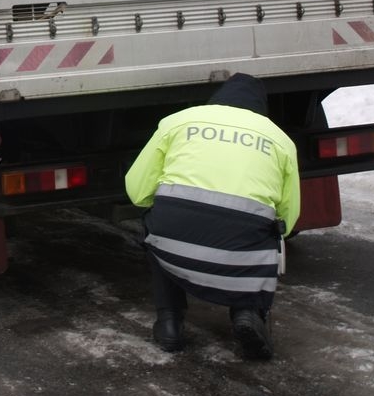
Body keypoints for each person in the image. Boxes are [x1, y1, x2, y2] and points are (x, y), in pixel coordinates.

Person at [125, 73, 300, 360]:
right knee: (266, 232)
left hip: (173, 243)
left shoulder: (178, 122)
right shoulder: (280, 140)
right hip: (243, 251)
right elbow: (288, 217)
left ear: (217, 100)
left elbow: (137, 190)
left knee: (158, 223)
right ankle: (247, 311)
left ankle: (169, 322)